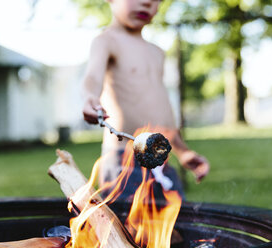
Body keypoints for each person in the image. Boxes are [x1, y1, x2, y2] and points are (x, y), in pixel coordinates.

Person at [82, 0, 209, 203]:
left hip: (161, 157)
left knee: (177, 228)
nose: (147, 2)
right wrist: (90, 97)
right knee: (127, 230)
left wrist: (182, 151)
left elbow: (161, 109)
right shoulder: (106, 41)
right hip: (124, 161)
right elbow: (93, 77)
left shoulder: (156, 52)